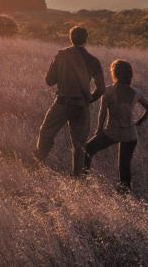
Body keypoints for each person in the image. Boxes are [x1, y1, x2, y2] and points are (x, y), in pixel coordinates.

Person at [35, 25, 106, 176]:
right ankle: (78, 179)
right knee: (79, 145)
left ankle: (37, 165)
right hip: (81, 106)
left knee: (46, 132)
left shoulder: (61, 55)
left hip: (61, 103)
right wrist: (88, 100)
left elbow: (49, 81)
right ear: (86, 39)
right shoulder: (93, 60)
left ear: (70, 38)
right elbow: (101, 89)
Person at [85, 59, 148, 190]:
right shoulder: (136, 92)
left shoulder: (108, 91)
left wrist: (99, 130)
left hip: (112, 131)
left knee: (87, 150)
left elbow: (102, 114)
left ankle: (82, 180)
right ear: (130, 74)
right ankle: (125, 195)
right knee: (124, 168)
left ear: (115, 73)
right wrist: (139, 122)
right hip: (131, 134)